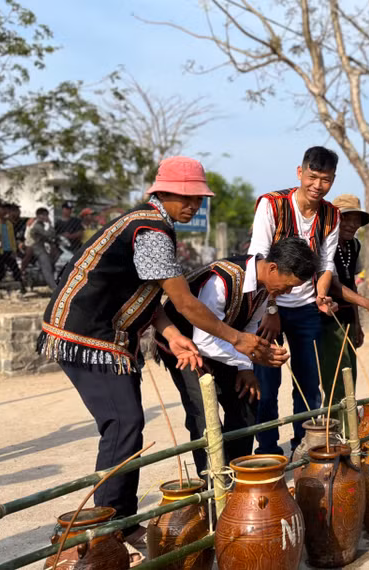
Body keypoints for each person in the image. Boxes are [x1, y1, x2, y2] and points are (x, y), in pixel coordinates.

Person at [37, 156, 273, 554]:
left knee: (126, 426)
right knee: (123, 423)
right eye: (186, 197)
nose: (193, 205)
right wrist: (238, 339)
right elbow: (184, 302)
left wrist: (172, 334)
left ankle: (120, 520)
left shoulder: (154, 225)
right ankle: (106, 528)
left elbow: (153, 297)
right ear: (162, 192)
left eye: (198, 199)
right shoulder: (150, 229)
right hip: (87, 334)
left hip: (111, 336)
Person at [157, 237, 319, 481]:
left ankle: (237, 476)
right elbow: (204, 341)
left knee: (247, 399)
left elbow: (250, 326)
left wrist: (245, 367)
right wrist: (254, 356)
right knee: (204, 413)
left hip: (223, 343)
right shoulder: (221, 282)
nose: (286, 293)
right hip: (184, 344)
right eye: (287, 286)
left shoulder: (265, 286)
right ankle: (214, 482)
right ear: (273, 268)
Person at [248, 146, 341, 456]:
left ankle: (305, 445)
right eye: (312, 177)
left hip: (306, 308)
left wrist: (322, 295)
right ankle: (267, 450)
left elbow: (326, 263)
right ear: (300, 173)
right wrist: (270, 308)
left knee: (309, 383)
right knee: (266, 383)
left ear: (333, 180)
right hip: (267, 305)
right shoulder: (271, 204)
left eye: (325, 180)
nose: (317, 185)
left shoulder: (332, 214)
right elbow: (258, 260)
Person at [319, 195, 369, 410]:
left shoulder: (353, 245)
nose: (352, 224)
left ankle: (348, 421)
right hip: (327, 318)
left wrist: (357, 323)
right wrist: (367, 303)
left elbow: (351, 283)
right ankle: (336, 424)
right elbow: (333, 284)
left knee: (350, 373)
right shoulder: (324, 243)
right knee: (336, 377)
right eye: (346, 218)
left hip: (347, 318)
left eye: (356, 220)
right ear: (334, 220)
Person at [0, 201, 24, 291]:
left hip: (8, 251)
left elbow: (12, 238)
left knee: (15, 269)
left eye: (6, 209)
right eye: (2, 208)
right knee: (0, 270)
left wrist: (14, 250)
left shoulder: (9, 224)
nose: (5, 211)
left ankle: (22, 288)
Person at [24, 207, 59, 291]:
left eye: (46, 215)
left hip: (39, 247)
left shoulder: (41, 225)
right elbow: (48, 235)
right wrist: (50, 224)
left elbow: (49, 237)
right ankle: (54, 288)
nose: (45, 217)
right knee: (46, 266)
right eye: (43, 215)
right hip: (35, 248)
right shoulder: (36, 226)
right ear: (38, 216)